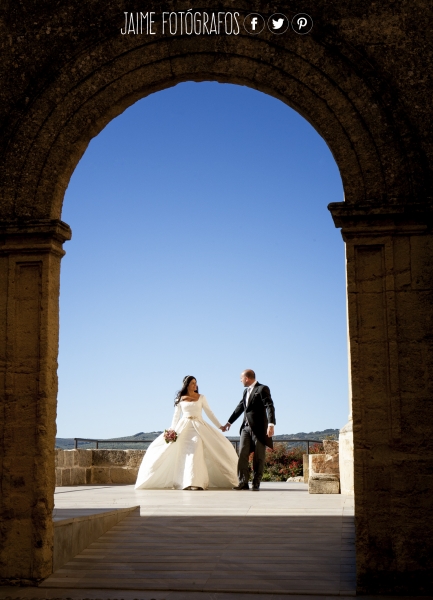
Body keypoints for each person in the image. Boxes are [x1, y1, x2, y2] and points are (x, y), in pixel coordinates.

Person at [135, 375, 238, 490]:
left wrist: (220, 426)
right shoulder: (180, 399)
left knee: (196, 451)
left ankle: (197, 482)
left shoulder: (201, 397)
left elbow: (209, 413)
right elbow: (176, 416)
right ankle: (184, 482)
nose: (195, 385)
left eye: (196, 383)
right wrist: (172, 430)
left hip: (198, 427)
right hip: (184, 428)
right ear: (187, 385)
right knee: (184, 454)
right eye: (193, 383)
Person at [221, 369, 276, 491]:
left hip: (259, 429)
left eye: (241, 378)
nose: (240, 380)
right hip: (245, 428)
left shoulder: (262, 389)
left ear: (246, 378)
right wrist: (229, 422)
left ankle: (256, 483)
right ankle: (243, 482)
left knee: (259, 457)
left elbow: (269, 406)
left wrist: (271, 424)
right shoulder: (245, 392)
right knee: (242, 455)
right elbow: (240, 408)